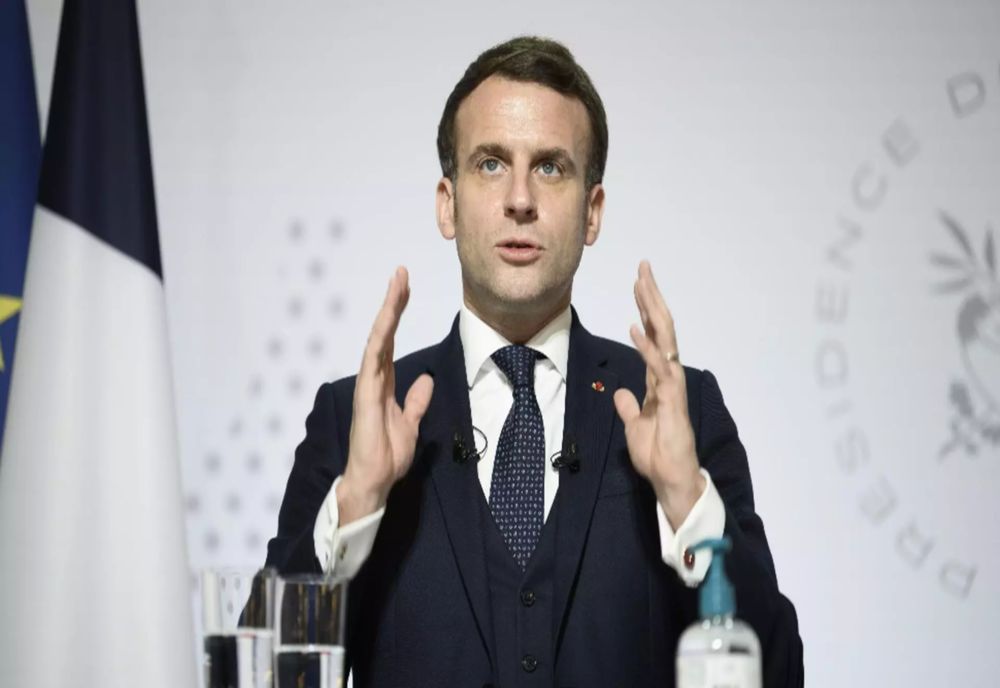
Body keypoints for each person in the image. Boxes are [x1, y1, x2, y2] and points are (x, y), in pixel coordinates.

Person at [265, 36, 803, 687]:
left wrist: (688, 502)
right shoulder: (351, 418)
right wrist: (355, 505)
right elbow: (261, 674)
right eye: (491, 163)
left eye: (550, 167)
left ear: (592, 213)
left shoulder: (680, 409)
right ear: (447, 203)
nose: (520, 198)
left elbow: (779, 671)